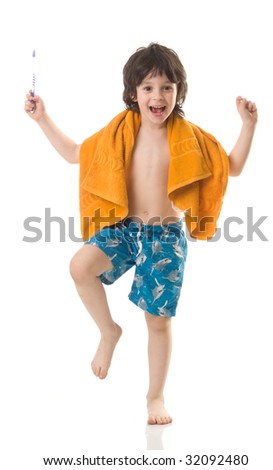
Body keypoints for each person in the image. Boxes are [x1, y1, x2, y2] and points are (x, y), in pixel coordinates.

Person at [24, 43, 258, 425]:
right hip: (124, 229)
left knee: (157, 320)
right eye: (148, 87)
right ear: (133, 92)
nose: (158, 96)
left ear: (179, 91)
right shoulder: (119, 132)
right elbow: (73, 155)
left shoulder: (190, 137)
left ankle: (155, 396)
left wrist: (248, 127)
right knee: (81, 266)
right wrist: (42, 119)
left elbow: (231, 168)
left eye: (167, 87)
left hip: (165, 236)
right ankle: (109, 331)